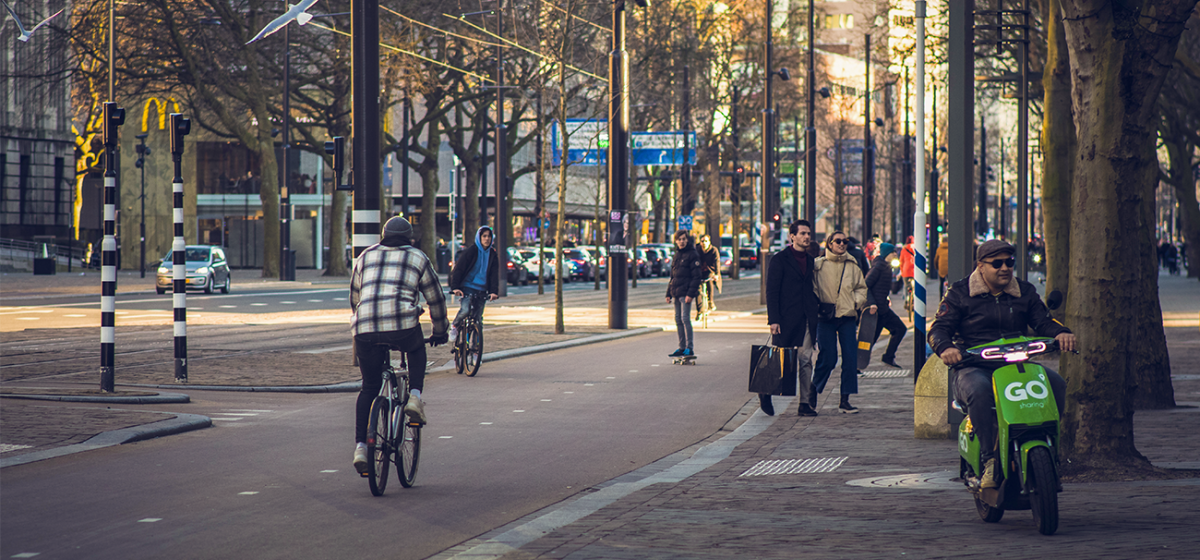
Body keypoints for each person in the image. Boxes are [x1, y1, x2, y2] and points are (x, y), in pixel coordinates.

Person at [928, 239, 1076, 489]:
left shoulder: (1025, 291)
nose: (1005, 268)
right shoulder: (959, 293)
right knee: (979, 390)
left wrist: (1061, 333)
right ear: (981, 266)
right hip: (975, 366)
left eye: (1010, 262)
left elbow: (1043, 321)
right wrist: (947, 348)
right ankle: (989, 461)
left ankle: (1051, 451)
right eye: (997, 263)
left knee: (1056, 384)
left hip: (1017, 365)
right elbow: (939, 328)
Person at [350, 216, 449, 475]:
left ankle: (361, 446)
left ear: (383, 234)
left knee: (369, 387)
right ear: (410, 237)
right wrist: (440, 331)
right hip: (402, 325)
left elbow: (355, 297)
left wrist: (363, 324)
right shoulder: (418, 257)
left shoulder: (365, 256)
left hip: (365, 327)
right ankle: (415, 397)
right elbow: (436, 298)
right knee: (416, 348)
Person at [765, 220, 820, 416]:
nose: (807, 237)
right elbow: (772, 291)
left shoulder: (813, 261)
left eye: (808, 234)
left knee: (805, 359)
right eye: (803, 233)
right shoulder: (779, 260)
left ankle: (804, 403)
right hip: (785, 318)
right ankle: (765, 392)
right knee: (780, 360)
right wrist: (774, 320)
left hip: (807, 318)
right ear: (792, 237)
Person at [811, 231, 869, 414]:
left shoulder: (852, 265)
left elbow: (861, 288)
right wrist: (817, 304)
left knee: (851, 359)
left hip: (847, 317)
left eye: (845, 241)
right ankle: (813, 388)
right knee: (828, 357)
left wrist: (855, 302)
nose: (842, 244)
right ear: (829, 244)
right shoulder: (818, 265)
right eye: (838, 241)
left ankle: (845, 399)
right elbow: (811, 288)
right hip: (825, 318)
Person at [448, 226, 500, 341]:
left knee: (478, 321)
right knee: (465, 310)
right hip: (467, 287)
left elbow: (494, 274)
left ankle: (476, 350)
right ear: (479, 237)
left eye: (489, 236)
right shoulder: (471, 251)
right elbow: (459, 269)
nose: (487, 239)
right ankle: (455, 326)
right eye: (484, 236)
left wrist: (493, 292)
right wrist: (455, 287)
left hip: (482, 289)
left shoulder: (492, 254)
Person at [863, 243, 906, 369]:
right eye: (892, 252)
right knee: (869, 339)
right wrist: (871, 303)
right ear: (886, 254)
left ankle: (888, 357)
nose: (895, 254)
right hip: (876, 310)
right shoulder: (878, 267)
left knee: (899, 330)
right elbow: (865, 286)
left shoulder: (886, 266)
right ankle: (856, 364)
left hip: (883, 309)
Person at [665, 230, 706, 358]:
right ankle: (681, 347)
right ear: (676, 241)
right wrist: (668, 293)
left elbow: (696, 276)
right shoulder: (677, 255)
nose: (682, 241)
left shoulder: (692, 254)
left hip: (686, 292)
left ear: (687, 240)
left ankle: (689, 348)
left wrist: (690, 293)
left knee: (685, 318)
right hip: (676, 291)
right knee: (677, 319)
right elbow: (673, 276)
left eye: (684, 239)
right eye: (679, 239)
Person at [695, 234, 721, 317]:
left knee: (709, 281)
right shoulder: (697, 249)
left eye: (706, 241)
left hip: (710, 271)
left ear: (709, 242)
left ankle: (710, 302)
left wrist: (716, 274)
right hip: (699, 272)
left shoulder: (714, 250)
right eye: (702, 241)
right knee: (697, 291)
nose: (704, 243)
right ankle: (699, 311)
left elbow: (717, 262)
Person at [935, 235, 950, 300]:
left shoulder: (939, 249)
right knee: (951, 283)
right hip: (950, 269)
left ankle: (941, 298)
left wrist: (936, 267)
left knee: (941, 283)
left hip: (942, 269)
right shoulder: (951, 249)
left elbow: (936, 259)